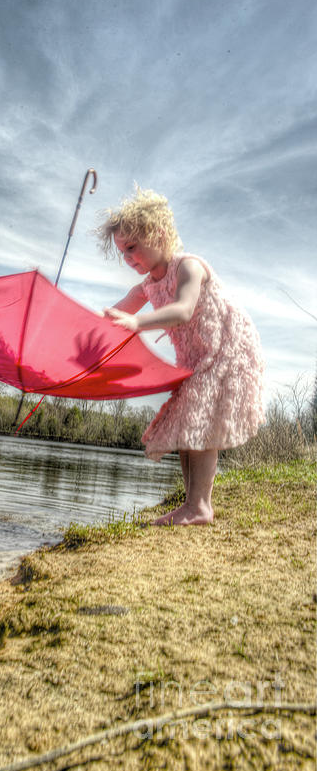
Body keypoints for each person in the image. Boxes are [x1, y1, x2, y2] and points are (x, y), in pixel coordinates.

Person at [97, 187, 264, 526]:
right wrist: (84, 334)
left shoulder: (189, 267)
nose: (129, 259)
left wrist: (137, 322)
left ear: (158, 233)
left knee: (200, 424)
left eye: (132, 247)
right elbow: (113, 317)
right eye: (122, 253)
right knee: (189, 424)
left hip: (226, 349)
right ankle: (192, 503)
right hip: (194, 358)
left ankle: (199, 506)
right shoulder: (146, 286)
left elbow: (184, 310)